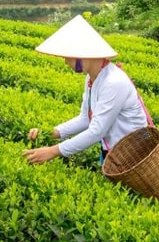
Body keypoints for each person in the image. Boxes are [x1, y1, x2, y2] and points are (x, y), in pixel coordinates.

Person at [22, 14, 149, 167]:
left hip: (134, 155)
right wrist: (51, 133)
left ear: (85, 54)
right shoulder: (92, 79)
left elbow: (97, 131)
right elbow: (85, 119)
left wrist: (53, 151)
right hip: (113, 151)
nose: (66, 62)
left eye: (69, 56)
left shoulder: (113, 82)